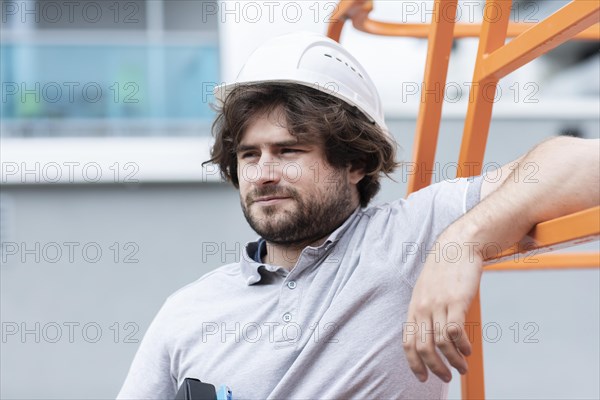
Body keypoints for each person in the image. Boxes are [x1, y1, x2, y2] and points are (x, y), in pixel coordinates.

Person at [117, 32, 599, 399]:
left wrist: (463, 243)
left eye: (288, 151)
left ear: (356, 162)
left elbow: (583, 165)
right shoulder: (187, 310)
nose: (263, 174)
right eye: (248, 155)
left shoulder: (408, 237)